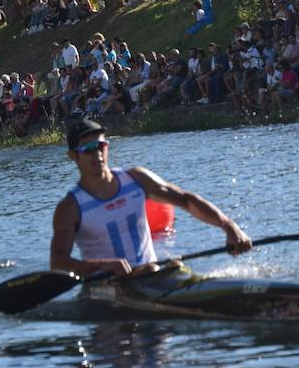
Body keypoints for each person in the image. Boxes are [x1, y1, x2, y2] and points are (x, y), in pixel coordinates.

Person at [49, 119, 252, 278]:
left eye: (101, 145)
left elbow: (186, 200)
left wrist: (229, 226)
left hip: (151, 274)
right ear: (73, 156)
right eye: (88, 149)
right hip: (108, 284)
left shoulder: (136, 179)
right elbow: (58, 262)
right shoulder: (70, 208)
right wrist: (105, 265)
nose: (97, 154)